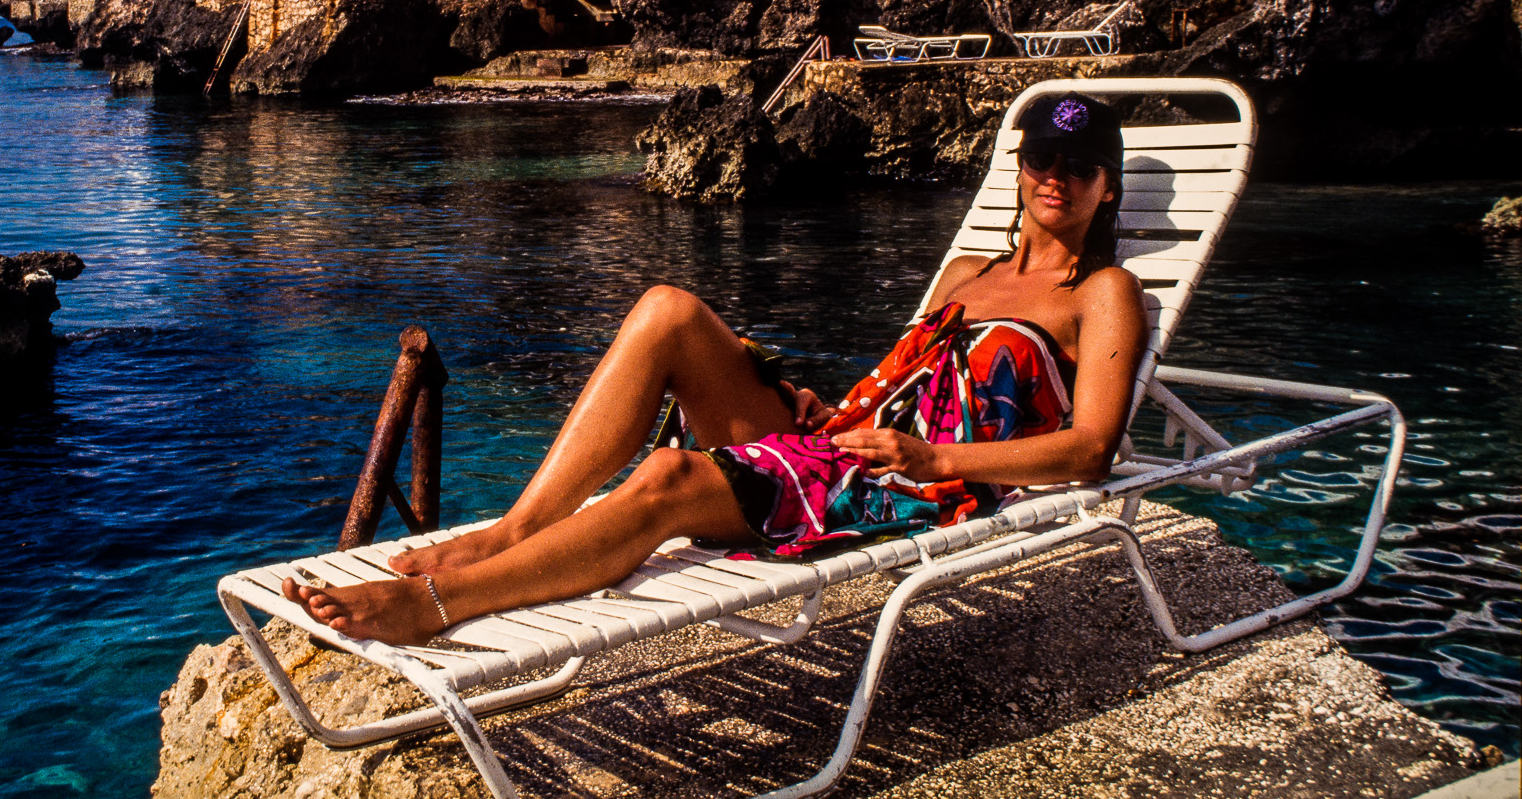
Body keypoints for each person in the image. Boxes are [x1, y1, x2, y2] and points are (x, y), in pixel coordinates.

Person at [285, 92, 1151, 645]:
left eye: (1081, 170)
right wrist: (830, 405)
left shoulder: (1102, 292)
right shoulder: (970, 275)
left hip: (923, 485)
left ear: (1105, 189)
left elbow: (1089, 452)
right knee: (667, 310)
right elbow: (911, 383)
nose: (1057, 180)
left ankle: (445, 604)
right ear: (1020, 166)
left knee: (667, 476)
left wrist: (938, 460)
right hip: (853, 447)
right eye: (1044, 160)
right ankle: (513, 530)